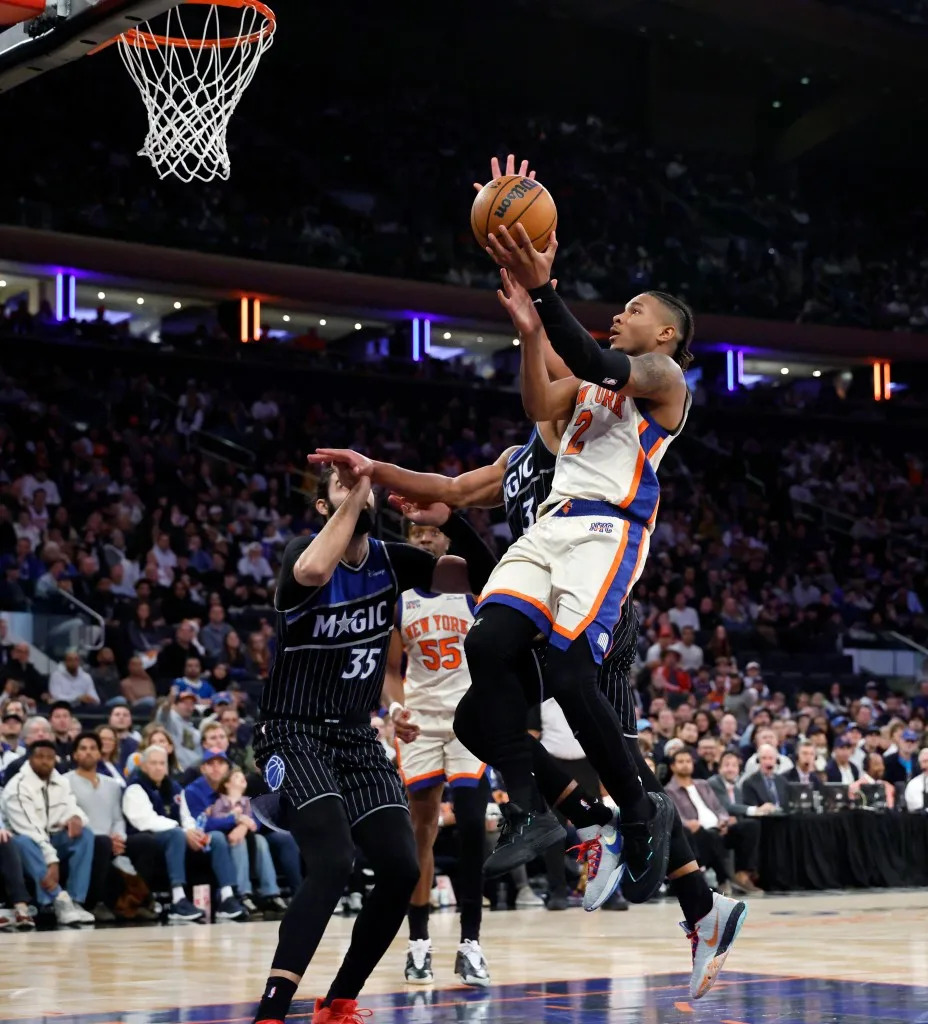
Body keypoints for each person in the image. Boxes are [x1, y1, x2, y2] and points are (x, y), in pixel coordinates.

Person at [248, 463, 495, 1024]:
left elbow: (485, 578)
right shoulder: (300, 553)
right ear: (323, 507)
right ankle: (271, 1011)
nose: (358, 487)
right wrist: (356, 494)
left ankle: (338, 1002)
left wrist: (453, 520)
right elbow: (315, 570)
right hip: (293, 732)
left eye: (363, 483)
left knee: (402, 867)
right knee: (334, 861)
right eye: (341, 485)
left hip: (357, 736)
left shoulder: (393, 561)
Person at [382, 518, 490, 987]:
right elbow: (390, 671)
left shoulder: (473, 591)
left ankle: (471, 944)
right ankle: (419, 944)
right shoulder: (399, 599)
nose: (424, 538)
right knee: (421, 830)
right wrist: (395, 709)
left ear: (447, 537)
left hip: (468, 719)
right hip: (420, 722)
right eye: (415, 533)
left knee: (472, 825)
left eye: (431, 531)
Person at [122, 744, 242, 922]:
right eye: (153, 763)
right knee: (176, 835)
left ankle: (227, 897)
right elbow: (144, 820)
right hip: (146, 839)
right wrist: (182, 831)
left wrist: (194, 832)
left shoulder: (175, 788)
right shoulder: (135, 788)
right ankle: (178, 900)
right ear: (144, 766)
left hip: (177, 836)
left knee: (216, 837)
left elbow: (186, 816)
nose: (158, 767)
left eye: (162, 763)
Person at [1, 739, 96, 926]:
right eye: (40, 757)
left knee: (85, 834)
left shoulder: (61, 781)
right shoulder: (17, 787)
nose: (45, 761)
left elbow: (71, 806)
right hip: (28, 842)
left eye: (50, 757)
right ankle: (58, 898)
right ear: (29, 759)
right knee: (23, 842)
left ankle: (75, 901)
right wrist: (52, 860)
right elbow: (31, 829)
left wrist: (76, 818)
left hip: (52, 838)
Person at [665, 749, 763, 897]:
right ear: (673, 766)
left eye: (688, 761)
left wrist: (723, 821)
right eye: (681, 762)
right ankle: (723, 879)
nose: (685, 765)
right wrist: (689, 824)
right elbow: (676, 817)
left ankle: (742, 876)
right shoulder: (669, 791)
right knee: (710, 835)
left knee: (750, 826)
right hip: (697, 833)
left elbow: (718, 808)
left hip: (719, 828)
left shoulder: (703, 784)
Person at [65, 731, 132, 922]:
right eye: (83, 748)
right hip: (82, 841)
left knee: (145, 843)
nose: (88, 752)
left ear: (100, 753)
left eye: (93, 748)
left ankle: (139, 903)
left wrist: (119, 837)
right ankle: (94, 903)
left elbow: (118, 819)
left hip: (110, 842)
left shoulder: (112, 785)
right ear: (75, 754)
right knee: (101, 843)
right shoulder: (64, 781)